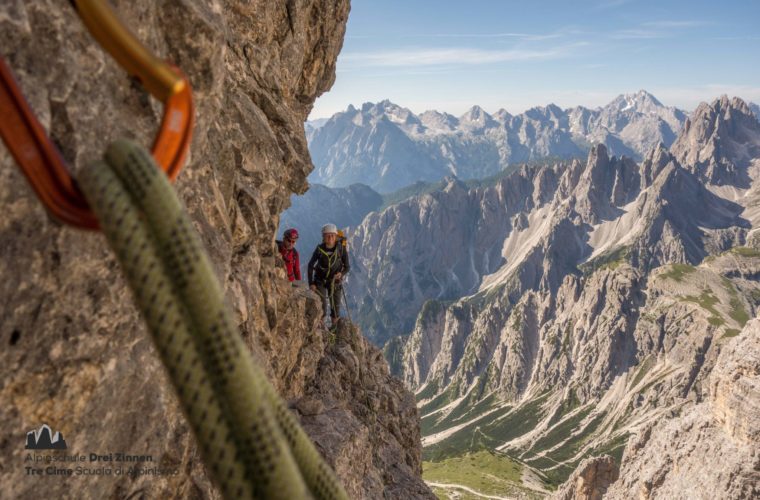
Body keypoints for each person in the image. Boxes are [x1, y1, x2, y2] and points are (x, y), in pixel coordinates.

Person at [308, 223, 349, 326]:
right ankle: (321, 332)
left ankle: (334, 332)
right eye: (327, 235)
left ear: (336, 237)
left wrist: (341, 274)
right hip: (320, 280)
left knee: (335, 309)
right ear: (323, 237)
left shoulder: (341, 249)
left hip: (335, 281)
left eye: (332, 235)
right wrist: (311, 283)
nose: (330, 237)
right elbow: (310, 265)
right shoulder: (319, 249)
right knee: (322, 308)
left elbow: (347, 266)